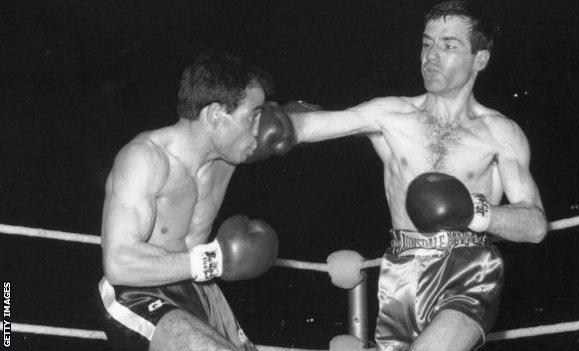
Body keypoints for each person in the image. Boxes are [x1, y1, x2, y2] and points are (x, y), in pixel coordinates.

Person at [274, 1, 548, 350]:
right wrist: (267, 124)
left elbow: (535, 225)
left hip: (467, 270)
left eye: (448, 45)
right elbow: (313, 124)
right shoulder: (391, 115)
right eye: (426, 43)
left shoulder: (500, 133)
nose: (431, 56)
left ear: (480, 59)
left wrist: (475, 211)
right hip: (400, 273)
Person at [96, 52, 287, 351]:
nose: (258, 129)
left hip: (201, 292)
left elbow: (306, 126)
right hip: (139, 292)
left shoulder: (230, 153)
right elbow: (119, 264)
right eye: (252, 116)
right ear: (214, 115)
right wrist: (215, 260)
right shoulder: (145, 158)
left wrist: (379, 115)